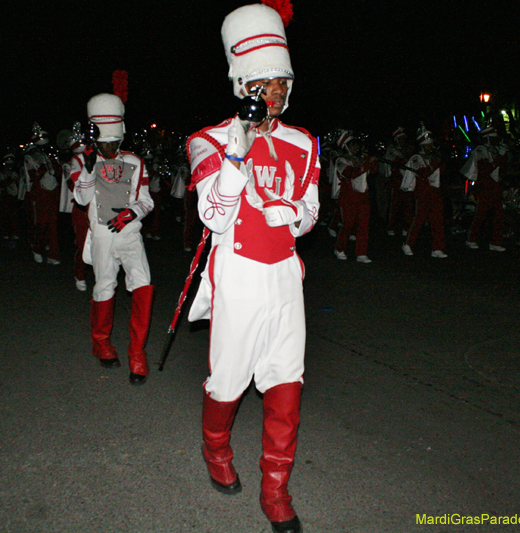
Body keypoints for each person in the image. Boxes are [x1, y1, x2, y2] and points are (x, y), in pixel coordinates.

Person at [186, 3, 319, 531]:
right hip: (237, 273)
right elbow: (212, 214)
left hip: (285, 275)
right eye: (265, 85)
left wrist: (296, 216)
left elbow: (309, 211)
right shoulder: (209, 140)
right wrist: (236, 161)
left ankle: (276, 489)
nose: (276, 96)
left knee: (288, 379)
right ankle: (216, 451)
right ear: (242, 84)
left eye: (282, 85)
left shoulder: (303, 142)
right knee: (228, 381)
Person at [73, 93, 154, 384]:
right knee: (104, 287)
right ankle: (102, 344)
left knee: (143, 284)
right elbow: (81, 197)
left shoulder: (134, 161)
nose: (108, 148)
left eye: (113, 143)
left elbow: (146, 200)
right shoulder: (85, 161)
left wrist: (131, 214)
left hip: (130, 234)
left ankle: (137, 354)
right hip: (102, 235)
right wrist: (87, 168)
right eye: (103, 143)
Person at [401, 125, 448, 258]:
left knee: (437, 220)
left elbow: (442, 172)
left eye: (431, 145)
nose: (430, 147)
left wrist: (440, 161)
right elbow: (423, 173)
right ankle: (408, 244)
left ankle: (437, 248)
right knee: (419, 219)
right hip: (423, 192)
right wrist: (435, 163)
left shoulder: (433, 156)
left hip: (435, 191)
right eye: (427, 145)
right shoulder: (416, 157)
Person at [462, 124, 508, 251]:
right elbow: (485, 170)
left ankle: (496, 242)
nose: (496, 140)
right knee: (480, 214)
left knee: (498, 215)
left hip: (495, 186)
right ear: (487, 138)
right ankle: (471, 238)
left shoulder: (496, 149)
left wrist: (503, 155)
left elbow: (503, 168)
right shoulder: (480, 150)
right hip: (484, 186)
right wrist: (499, 157)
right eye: (493, 137)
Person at [333, 132, 377, 263]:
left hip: (363, 195)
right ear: (346, 146)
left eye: (356, 145)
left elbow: (374, 171)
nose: (356, 147)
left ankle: (361, 253)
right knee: (348, 224)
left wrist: (371, 160)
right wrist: (367, 163)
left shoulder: (360, 158)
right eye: (353, 145)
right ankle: (340, 248)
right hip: (348, 197)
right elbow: (350, 173)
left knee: (364, 224)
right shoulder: (341, 160)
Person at [22, 123, 61, 265]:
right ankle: (37, 249)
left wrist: (56, 166)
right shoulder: (30, 156)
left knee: (53, 224)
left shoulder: (47, 155)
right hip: (39, 193)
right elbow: (32, 176)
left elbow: (56, 172)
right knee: (41, 223)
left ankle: (53, 254)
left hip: (52, 192)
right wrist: (44, 169)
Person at [60, 124, 90, 291]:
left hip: (98, 205)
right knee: (83, 243)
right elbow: (74, 184)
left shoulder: (96, 156)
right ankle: (80, 274)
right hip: (81, 206)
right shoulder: (74, 161)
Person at [384, 127, 414, 237]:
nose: (403, 140)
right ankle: (390, 226)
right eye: (400, 138)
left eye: (403, 138)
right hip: (396, 181)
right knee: (394, 205)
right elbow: (391, 165)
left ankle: (406, 227)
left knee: (408, 205)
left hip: (407, 180)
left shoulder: (408, 150)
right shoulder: (392, 150)